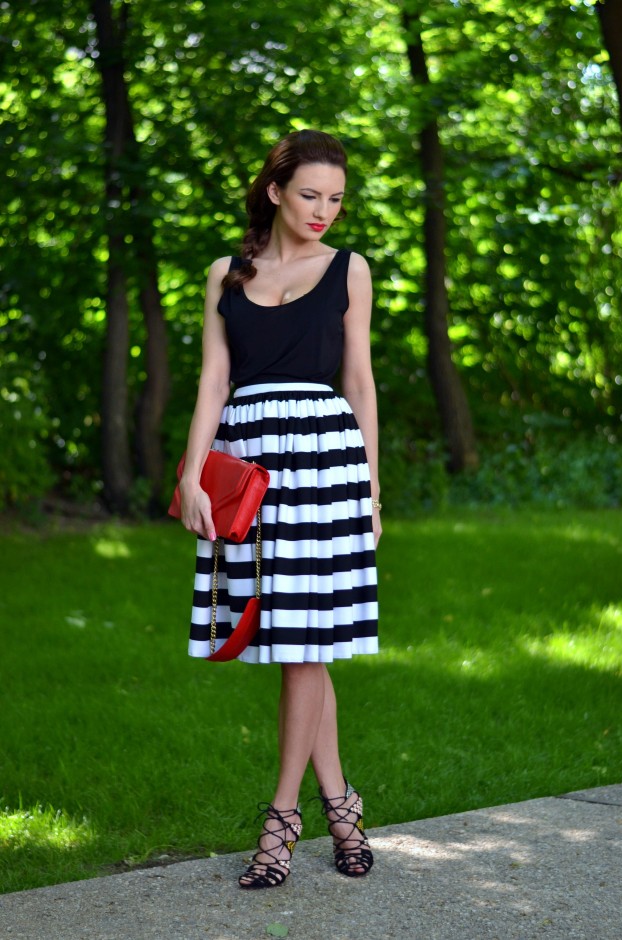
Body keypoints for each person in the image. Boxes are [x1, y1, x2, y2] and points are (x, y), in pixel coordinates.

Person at [178, 129, 381, 890]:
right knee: (302, 641)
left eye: (335, 197)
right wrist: (194, 474)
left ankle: (280, 820)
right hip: (249, 464)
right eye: (309, 195)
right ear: (274, 192)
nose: (324, 210)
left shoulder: (350, 270)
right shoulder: (227, 273)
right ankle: (344, 810)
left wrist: (373, 487)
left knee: (304, 646)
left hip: (327, 462)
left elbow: (359, 383)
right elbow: (212, 382)